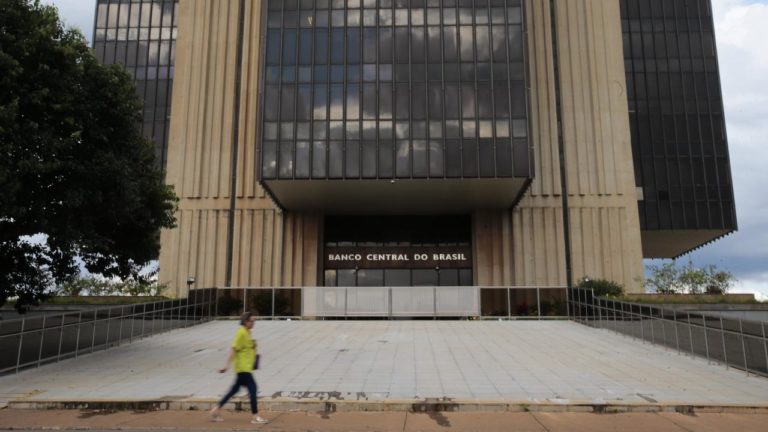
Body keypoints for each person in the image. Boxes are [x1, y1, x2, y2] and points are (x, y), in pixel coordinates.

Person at [210, 312, 268, 424]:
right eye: (252, 321)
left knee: (234, 390)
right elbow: (234, 349)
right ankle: (255, 416)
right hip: (243, 368)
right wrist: (226, 366)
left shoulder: (248, 332)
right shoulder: (241, 332)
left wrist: (254, 347)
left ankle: (215, 410)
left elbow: (247, 348)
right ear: (246, 321)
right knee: (253, 389)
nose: (254, 323)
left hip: (245, 368)